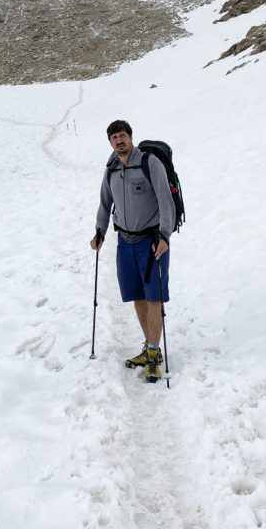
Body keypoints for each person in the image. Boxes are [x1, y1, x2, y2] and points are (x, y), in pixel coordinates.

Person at [90, 119, 174, 382]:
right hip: (124, 241)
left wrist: (165, 235)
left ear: (131, 137)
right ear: (110, 142)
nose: (119, 141)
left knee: (154, 298)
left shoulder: (150, 163)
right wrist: (100, 231)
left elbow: (166, 201)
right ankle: (150, 348)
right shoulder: (112, 168)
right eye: (114, 137)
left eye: (123, 135)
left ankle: (153, 353)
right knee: (137, 295)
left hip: (151, 241)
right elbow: (105, 203)